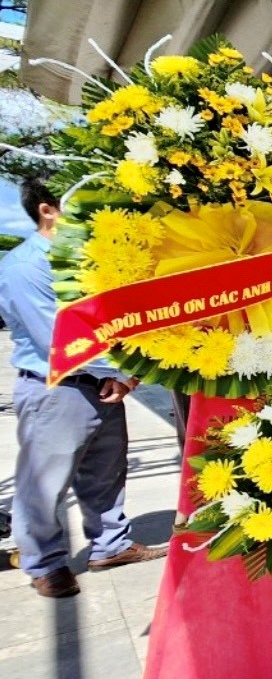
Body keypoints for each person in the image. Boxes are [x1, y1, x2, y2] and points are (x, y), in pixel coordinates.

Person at [0, 180, 167, 599]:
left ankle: (111, 545)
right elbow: (55, 337)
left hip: (104, 384)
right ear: (49, 210)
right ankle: (45, 563)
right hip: (57, 387)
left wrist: (129, 375)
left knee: (106, 474)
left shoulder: (85, 260)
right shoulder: (26, 268)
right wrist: (124, 369)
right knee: (45, 481)